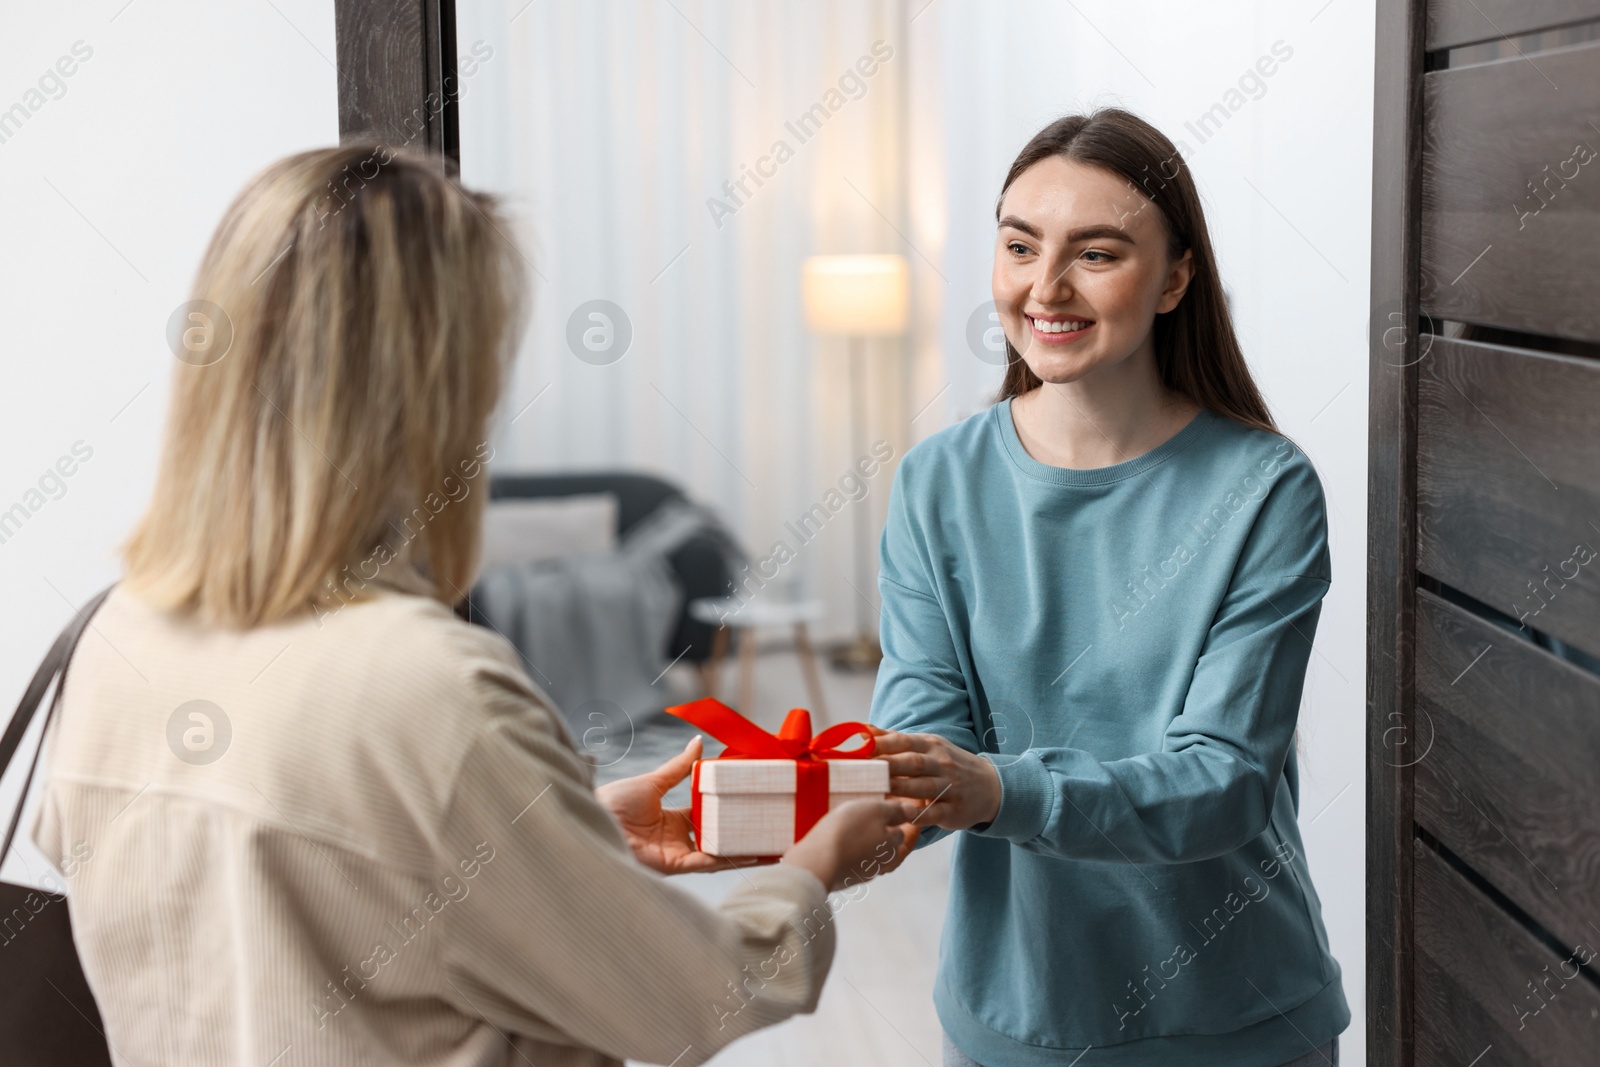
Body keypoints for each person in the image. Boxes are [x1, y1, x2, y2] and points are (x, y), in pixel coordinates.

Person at [31, 144, 920, 1067]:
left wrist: (558, 831)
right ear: (432, 389)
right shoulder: (432, 687)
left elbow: (288, 888)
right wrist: (812, 865)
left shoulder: (117, 636)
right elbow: (692, 1003)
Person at [868, 109, 1349, 1067]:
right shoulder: (936, 481)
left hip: (1235, 1025)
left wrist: (996, 789)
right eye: (1018, 246)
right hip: (1018, 1018)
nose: (1044, 288)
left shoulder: (1265, 488)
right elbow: (923, 736)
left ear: (1175, 278)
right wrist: (790, 809)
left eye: (1096, 253)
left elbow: (1223, 781)